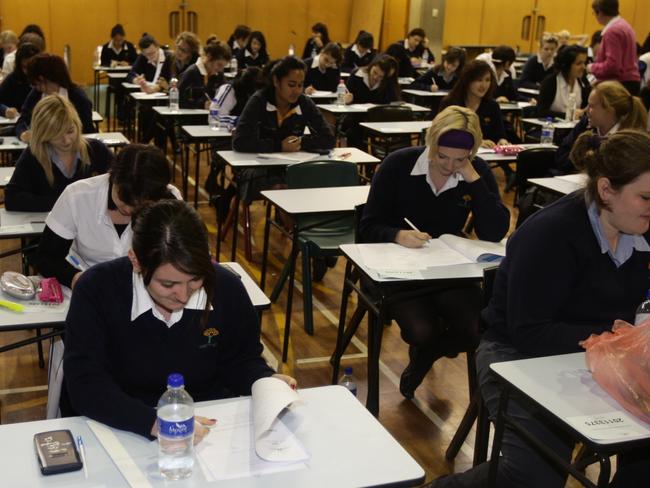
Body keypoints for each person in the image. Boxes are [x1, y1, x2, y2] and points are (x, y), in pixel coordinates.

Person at [428, 130, 650, 488]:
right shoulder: (550, 234)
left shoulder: (640, 225)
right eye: (645, 197)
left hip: (610, 356)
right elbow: (530, 333)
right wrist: (620, 338)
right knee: (533, 477)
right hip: (516, 357)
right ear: (607, 190)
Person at [63, 199, 296, 440]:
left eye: (195, 279)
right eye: (168, 284)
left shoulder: (227, 288)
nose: (183, 295)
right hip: (121, 423)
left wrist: (265, 381)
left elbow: (240, 361)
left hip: (208, 425)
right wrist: (155, 423)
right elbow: (85, 384)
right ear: (136, 261)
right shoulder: (97, 289)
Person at [359, 105, 510, 399]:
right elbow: (368, 225)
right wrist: (397, 235)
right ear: (431, 142)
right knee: (420, 332)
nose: (449, 165)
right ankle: (426, 350)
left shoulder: (473, 171)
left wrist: (473, 178)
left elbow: (494, 232)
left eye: (460, 159)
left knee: (475, 329)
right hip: (399, 272)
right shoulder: (398, 165)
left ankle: (425, 357)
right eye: (442, 156)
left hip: (450, 272)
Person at [32, 144, 181, 289]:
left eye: (138, 205)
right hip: (89, 284)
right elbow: (46, 257)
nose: (129, 210)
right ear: (112, 176)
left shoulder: (169, 200)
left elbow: (180, 255)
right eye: (124, 200)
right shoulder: (77, 196)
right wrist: (76, 278)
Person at [5, 95, 112, 212]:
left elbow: (121, 185)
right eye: (56, 135)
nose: (66, 140)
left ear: (77, 125)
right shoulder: (33, 155)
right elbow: (12, 199)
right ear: (43, 134)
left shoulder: (97, 150)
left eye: (70, 131)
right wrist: (65, 204)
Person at [233, 55, 335, 153]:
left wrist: (301, 142)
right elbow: (239, 142)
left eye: (300, 85)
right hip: (259, 165)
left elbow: (329, 139)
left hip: (292, 165)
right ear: (276, 81)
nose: (297, 91)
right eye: (291, 85)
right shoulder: (259, 101)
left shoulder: (304, 102)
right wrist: (279, 146)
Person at [554, 80, 647, 174]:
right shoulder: (585, 124)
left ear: (610, 110)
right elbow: (561, 156)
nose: (586, 111)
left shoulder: (629, 136)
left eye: (591, 106)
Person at [16, 53, 94, 141]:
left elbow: (88, 133)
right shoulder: (36, 94)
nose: (35, 87)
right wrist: (23, 134)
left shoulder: (79, 98)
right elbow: (22, 120)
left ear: (41, 79)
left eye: (35, 83)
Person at [439, 60, 508, 148]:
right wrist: (476, 143)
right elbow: (443, 134)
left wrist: (502, 141)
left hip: (486, 157)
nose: (484, 85)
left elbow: (500, 134)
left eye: (487, 80)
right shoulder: (450, 103)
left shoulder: (492, 106)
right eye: (479, 80)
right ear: (468, 80)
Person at [343, 53, 399, 149]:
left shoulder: (388, 81)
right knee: (354, 130)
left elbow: (392, 101)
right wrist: (348, 99)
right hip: (356, 118)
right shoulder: (356, 75)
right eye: (375, 72)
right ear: (371, 66)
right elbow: (346, 97)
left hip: (377, 119)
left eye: (381, 76)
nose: (376, 77)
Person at [587, 0, 640, 95]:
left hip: (620, 85)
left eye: (594, 12)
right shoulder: (625, 25)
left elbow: (613, 66)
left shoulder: (612, 31)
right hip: (630, 82)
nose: (594, 16)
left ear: (600, 12)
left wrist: (592, 68)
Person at [537, 45, 590, 119]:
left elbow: (585, 109)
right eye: (578, 64)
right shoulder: (550, 82)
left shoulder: (583, 82)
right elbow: (541, 112)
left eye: (584, 63)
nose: (583, 67)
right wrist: (566, 115)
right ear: (566, 65)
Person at [178, 41, 230, 109]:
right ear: (208, 57)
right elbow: (180, 102)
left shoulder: (219, 75)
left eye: (223, 66)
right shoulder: (191, 73)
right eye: (219, 65)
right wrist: (202, 105)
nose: (220, 70)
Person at [0, 41, 40, 119]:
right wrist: (6, 110)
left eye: (31, 66)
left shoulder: (45, 78)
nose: (28, 71)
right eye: (24, 67)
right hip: (18, 123)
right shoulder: (13, 78)